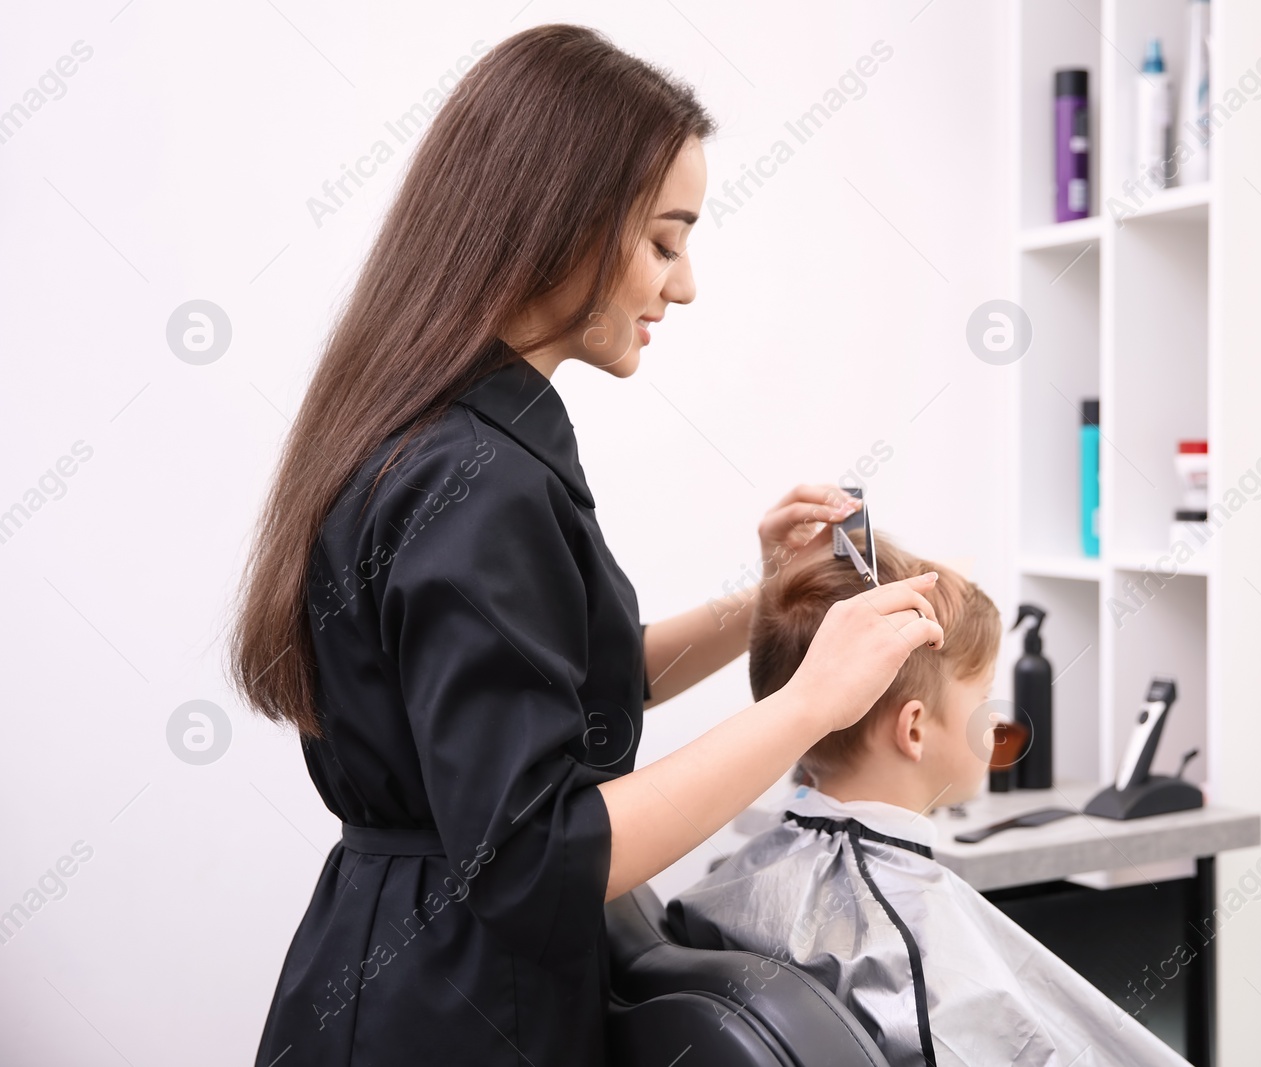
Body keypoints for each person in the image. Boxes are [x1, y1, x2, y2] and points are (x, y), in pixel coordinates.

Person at [226, 24, 945, 1066]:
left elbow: (563, 690)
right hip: (451, 1012)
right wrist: (808, 702)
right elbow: (533, 857)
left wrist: (767, 600)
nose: (683, 284)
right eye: (664, 239)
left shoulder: (439, 441)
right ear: (559, 221)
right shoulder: (477, 483)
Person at [668, 531, 1190, 1067]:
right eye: (984, 696)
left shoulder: (731, 879)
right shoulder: (905, 945)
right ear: (914, 730)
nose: (996, 720)